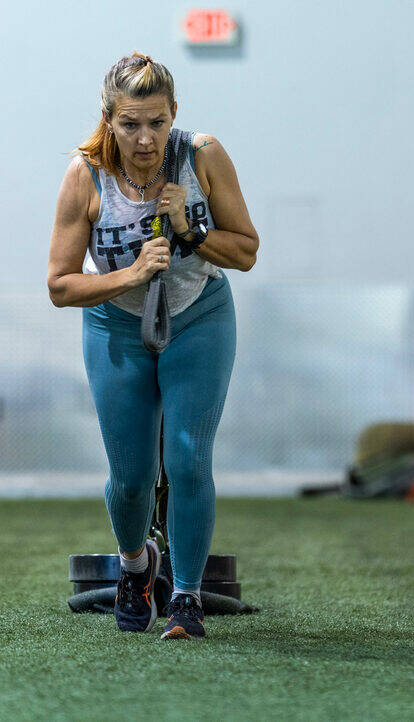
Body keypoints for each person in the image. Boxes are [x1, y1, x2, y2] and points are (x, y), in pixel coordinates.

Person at [47, 52, 258, 640]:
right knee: (132, 475)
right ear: (109, 119)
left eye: (157, 122)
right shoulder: (85, 176)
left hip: (199, 316)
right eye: (131, 124)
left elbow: (246, 250)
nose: (146, 138)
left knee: (188, 457)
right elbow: (61, 285)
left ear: (174, 116)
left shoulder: (202, 156)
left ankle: (186, 598)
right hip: (115, 325)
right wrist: (130, 274)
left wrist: (191, 231)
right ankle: (137, 567)